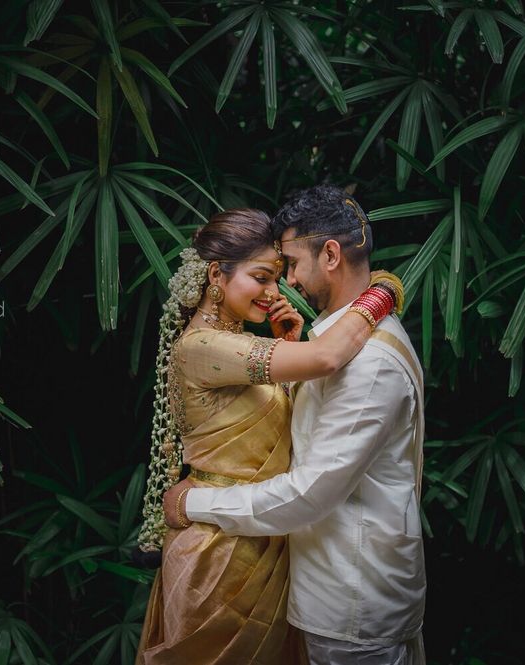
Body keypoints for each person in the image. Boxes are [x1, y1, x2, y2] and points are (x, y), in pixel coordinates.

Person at [164, 186, 427, 665]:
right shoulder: (215, 345)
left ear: (330, 254)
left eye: (287, 268)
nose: (283, 288)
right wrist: (382, 291)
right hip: (245, 559)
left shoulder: (365, 362)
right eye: (266, 274)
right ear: (215, 277)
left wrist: (194, 501)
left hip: (347, 594)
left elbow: (309, 492)